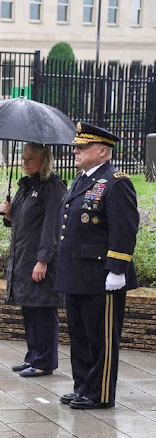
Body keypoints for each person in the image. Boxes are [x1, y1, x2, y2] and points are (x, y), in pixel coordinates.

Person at [56, 122, 138, 410]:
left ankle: (100, 393)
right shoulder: (81, 179)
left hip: (101, 275)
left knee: (101, 337)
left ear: (102, 151)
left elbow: (124, 229)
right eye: (76, 145)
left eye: (83, 146)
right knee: (79, 335)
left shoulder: (116, 182)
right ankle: (83, 387)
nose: (75, 150)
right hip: (77, 273)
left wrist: (117, 269)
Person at [0, 143, 66, 377]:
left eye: (30, 159)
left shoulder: (52, 187)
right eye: (23, 158)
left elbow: (52, 227)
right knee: (30, 309)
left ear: (43, 160)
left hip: (39, 259)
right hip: (24, 257)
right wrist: (7, 212)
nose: (24, 163)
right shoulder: (27, 186)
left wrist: (43, 260)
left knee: (43, 309)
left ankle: (44, 361)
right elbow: (21, 221)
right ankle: (32, 356)